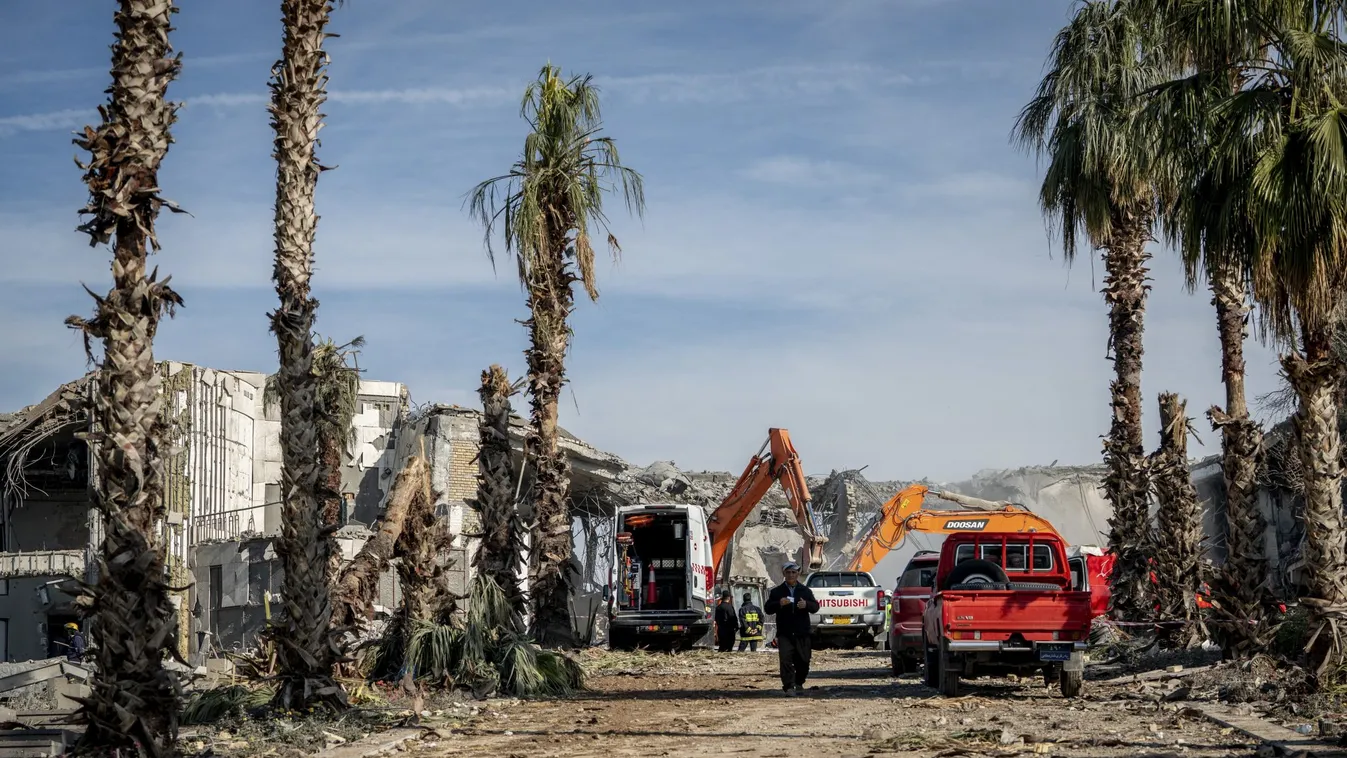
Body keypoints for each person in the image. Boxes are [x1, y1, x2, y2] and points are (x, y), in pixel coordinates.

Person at [764, 562, 819, 695]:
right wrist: (779, 603)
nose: (791, 575)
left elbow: (815, 607)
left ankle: (799, 682)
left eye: (793, 572)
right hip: (785, 633)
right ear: (784, 574)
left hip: (802, 632)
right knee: (786, 660)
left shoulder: (805, 591)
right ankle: (789, 686)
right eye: (788, 572)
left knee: (803, 660)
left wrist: (806, 605)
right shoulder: (777, 591)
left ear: (798, 574)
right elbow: (768, 608)